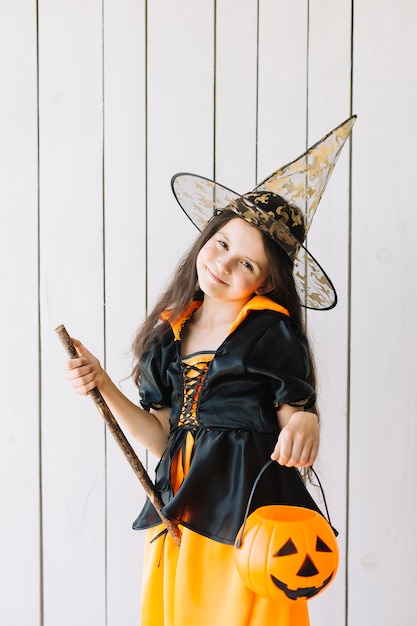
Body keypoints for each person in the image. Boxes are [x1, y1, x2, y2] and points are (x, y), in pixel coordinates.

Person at [65, 116, 356, 626]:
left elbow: (294, 410)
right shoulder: (169, 334)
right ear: (208, 236)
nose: (224, 264)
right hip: (184, 504)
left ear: (266, 282)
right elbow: (161, 436)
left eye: (246, 263)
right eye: (222, 244)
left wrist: (306, 420)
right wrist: (104, 384)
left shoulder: (272, 332)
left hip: (251, 515)